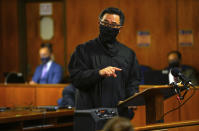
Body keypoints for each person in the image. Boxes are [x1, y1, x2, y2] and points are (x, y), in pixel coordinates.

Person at [68, 7, 141, 118]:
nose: (109, 27)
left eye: (113, 25)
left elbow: (133, 82)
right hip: (90, 115)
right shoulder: (83, 50)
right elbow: (76, 78)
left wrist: (132, 97)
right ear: (99, 23)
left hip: (119, 116)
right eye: (105, 23)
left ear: (120, 28)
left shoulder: (128, 54)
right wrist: (99, 73)